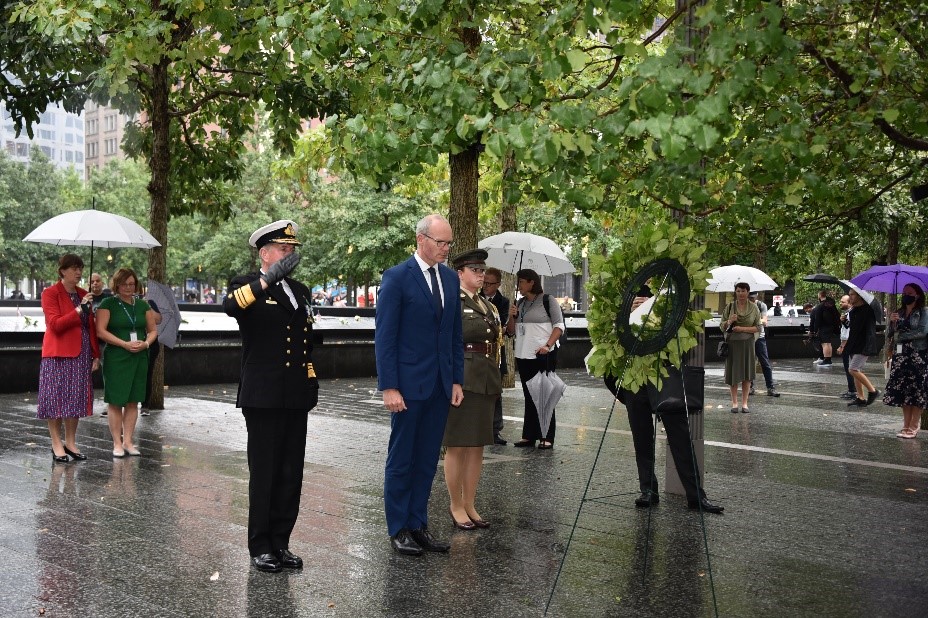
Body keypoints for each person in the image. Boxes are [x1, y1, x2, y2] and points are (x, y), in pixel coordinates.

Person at [223, 219, 319, 573]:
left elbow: (307, 339)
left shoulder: (301, 290)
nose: (289, 255)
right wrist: (269, 278)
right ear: (265, 254)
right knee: (264, 471)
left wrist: (310, 378)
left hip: (294, 392)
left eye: (291, 250)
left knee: (290, 471)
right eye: (283, 249)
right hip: (262, 394)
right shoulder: (247, 285)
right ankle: (260, 545)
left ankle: (281, 541)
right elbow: (231, 307)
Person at [375, 213, 464, 556]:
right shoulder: (397, 277)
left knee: (427, 459)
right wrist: (390, 387)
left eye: (449, 243)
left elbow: (453, 335)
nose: (446, 249)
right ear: (420, 240)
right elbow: (385, 338)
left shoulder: (450, 279)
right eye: (441, 242)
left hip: (440, 386)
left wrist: (456, 379)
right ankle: (398, 528)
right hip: (408, 387)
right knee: (402, 458)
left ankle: (418, 524)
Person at [603, 347, 723, 513]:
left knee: (681, 438)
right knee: (641, 438)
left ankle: (696, 496)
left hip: (664, 376)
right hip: (633, 380)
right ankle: (648, 490)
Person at [443, 249, 502, 530]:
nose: (480, 275)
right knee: (457, 445)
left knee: (476, 445)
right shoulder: (453, 300)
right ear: (460, 273)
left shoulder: (488, 305)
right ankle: (455, 505)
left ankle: (470, 503)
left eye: (482, 271)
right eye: (475, 271)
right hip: (464, 377)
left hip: (486, 376)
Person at [37, 254, 101, 463]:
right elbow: (55, 324)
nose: (78, 272)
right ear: (62, 271)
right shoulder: (50, 293)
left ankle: (71, 443)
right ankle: (56, 443)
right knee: (55, 399)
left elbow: (90, 327)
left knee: (75, 399)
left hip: (81, 354)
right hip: (57, 354)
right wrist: (79, 309)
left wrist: (95, 354)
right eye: (74, 268)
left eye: (80, 268)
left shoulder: (84, 295)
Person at [96, 268, 157, 458]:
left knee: (133, 401)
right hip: (117, 356)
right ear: (117, 285)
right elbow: (100, 331)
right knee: (116, 401)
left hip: (139, 356)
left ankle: (128, 441)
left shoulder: (142, 305)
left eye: (132, 284)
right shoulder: (108, 304)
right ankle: (116, 443)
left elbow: (153, 330)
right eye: (125, 284)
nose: (129, 288)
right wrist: (124, 343)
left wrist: (146, 343)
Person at [506, 268, 565, 448]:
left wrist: (547, 345)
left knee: (544, 394)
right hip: (523, 355)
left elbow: (559, 326)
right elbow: (511, 331)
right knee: (529, 395)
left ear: (532, 282)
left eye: (522, 282)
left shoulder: (548, 300)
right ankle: (529, 435)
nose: (519, 286)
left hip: (542, 355)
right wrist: (512, 316)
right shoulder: (521, 303)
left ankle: (546, 436)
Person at [882, 284, 928, 438]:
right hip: (901, 355)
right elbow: (889, 334)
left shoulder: (923, 312)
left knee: (917, 389)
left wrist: (902, 336)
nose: (906, 295)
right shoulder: (899, 312)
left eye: (909, 293)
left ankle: (914, 426)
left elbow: (923, 331)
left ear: (917, 295)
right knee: (904, 390)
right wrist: (892, 322)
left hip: (918, 354)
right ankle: (906, 425)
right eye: (904, 292)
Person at [480, 266, 510, 445]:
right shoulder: (476, 299)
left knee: (496, 392)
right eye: (484, 282)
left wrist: (511, 318)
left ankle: (495, 429)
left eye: (490, 284)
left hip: (496, 352)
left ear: (498, 284)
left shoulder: (503, 302)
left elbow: (505, 328)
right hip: (480, 351)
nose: (485, 286)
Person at [721, 282, 761, 413]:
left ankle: (745, 403)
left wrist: (742, 328)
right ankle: (734, 403)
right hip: (732, 344)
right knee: (733, 373)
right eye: (738, 291)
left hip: (748, 344)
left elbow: (758, 327)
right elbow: (722, 326)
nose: (741, 294)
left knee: (746, 374)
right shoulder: (730, 307)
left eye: (743, 291)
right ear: (735, 292)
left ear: (748, 292)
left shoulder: (754, 308)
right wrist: (729, 321)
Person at [842, 288, 880, 407]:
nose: (850, 297)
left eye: (852, 295)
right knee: (856, 371)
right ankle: (861, 397)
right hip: (854, 344)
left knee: (853, 369)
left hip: (864, 344)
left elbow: (867, 329)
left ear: (859, 296)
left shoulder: (868, 310)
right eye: (849, 295)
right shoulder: (853, 311)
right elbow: (853, 328)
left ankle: (873, 391)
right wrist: (844, 322)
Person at [748, 291, 780, 397]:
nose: (751, 300)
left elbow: (765, 321)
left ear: (756, 296)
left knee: (765, 363)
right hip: (747, 337)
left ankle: (770, 387)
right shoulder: (742, 306)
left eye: (753, 298)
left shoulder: (761, 305)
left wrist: (753, 321)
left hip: (759, 337)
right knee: (749, 363)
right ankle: (750, 387)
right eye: (750, 298)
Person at [139, 293, 163, 416]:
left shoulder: (148, 301)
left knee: (147, 374)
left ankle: (145, 404)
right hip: (130, 342)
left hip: (150, 344)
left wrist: (146, 305)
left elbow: (158, 319)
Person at [837, 294, 857, 399]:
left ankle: (852, 391)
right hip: (849, 344)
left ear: (849, 303)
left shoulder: (850, 314)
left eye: (843, 302)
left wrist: (842, 346)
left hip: (848, 345)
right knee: (850, 368)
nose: (840, 303)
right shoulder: (848, 314)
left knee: (849, 368)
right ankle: (852, 390)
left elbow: (847, 332)